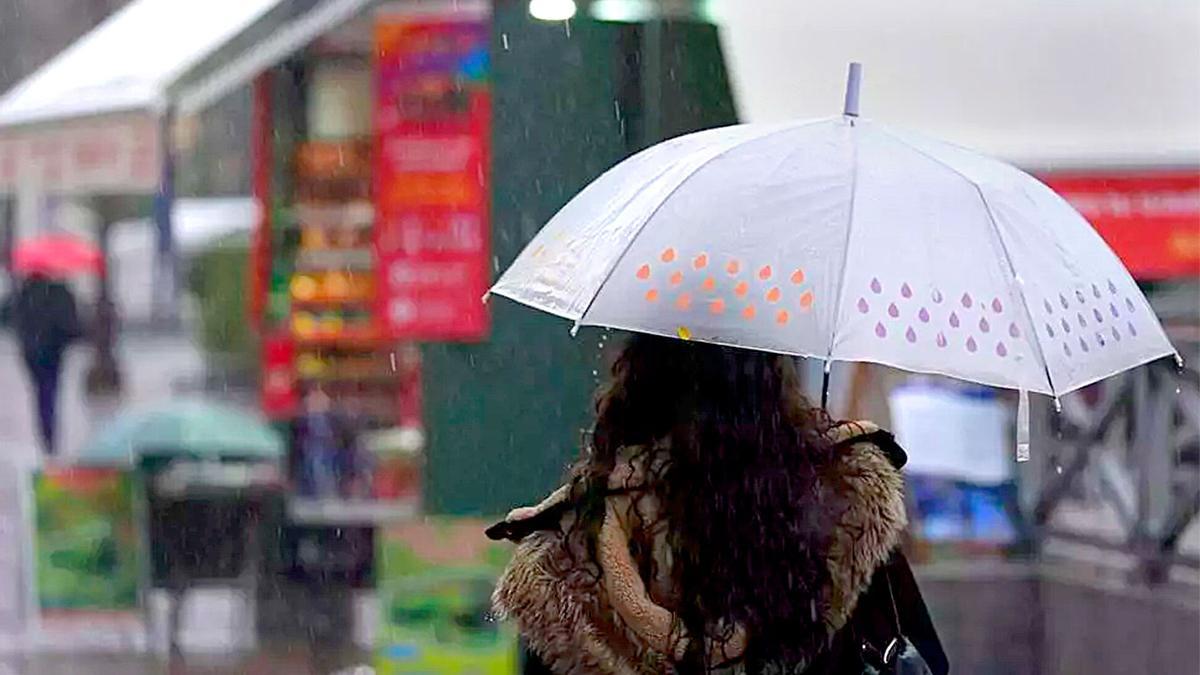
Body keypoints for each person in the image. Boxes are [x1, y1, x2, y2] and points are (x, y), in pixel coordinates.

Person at [487, 335, 947, 674]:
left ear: (635, 383)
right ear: (774, 382)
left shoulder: (571, 554)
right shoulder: (841, 508)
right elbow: (922, 658)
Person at [10, 272, 83, 455]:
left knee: (41, 391)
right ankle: (49, 433)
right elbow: (72, 325)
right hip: (52, 351)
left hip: (33, 352)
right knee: (50, 391)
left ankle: (47, 432)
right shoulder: (60, 292)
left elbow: (15, 320)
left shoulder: (25, 293)